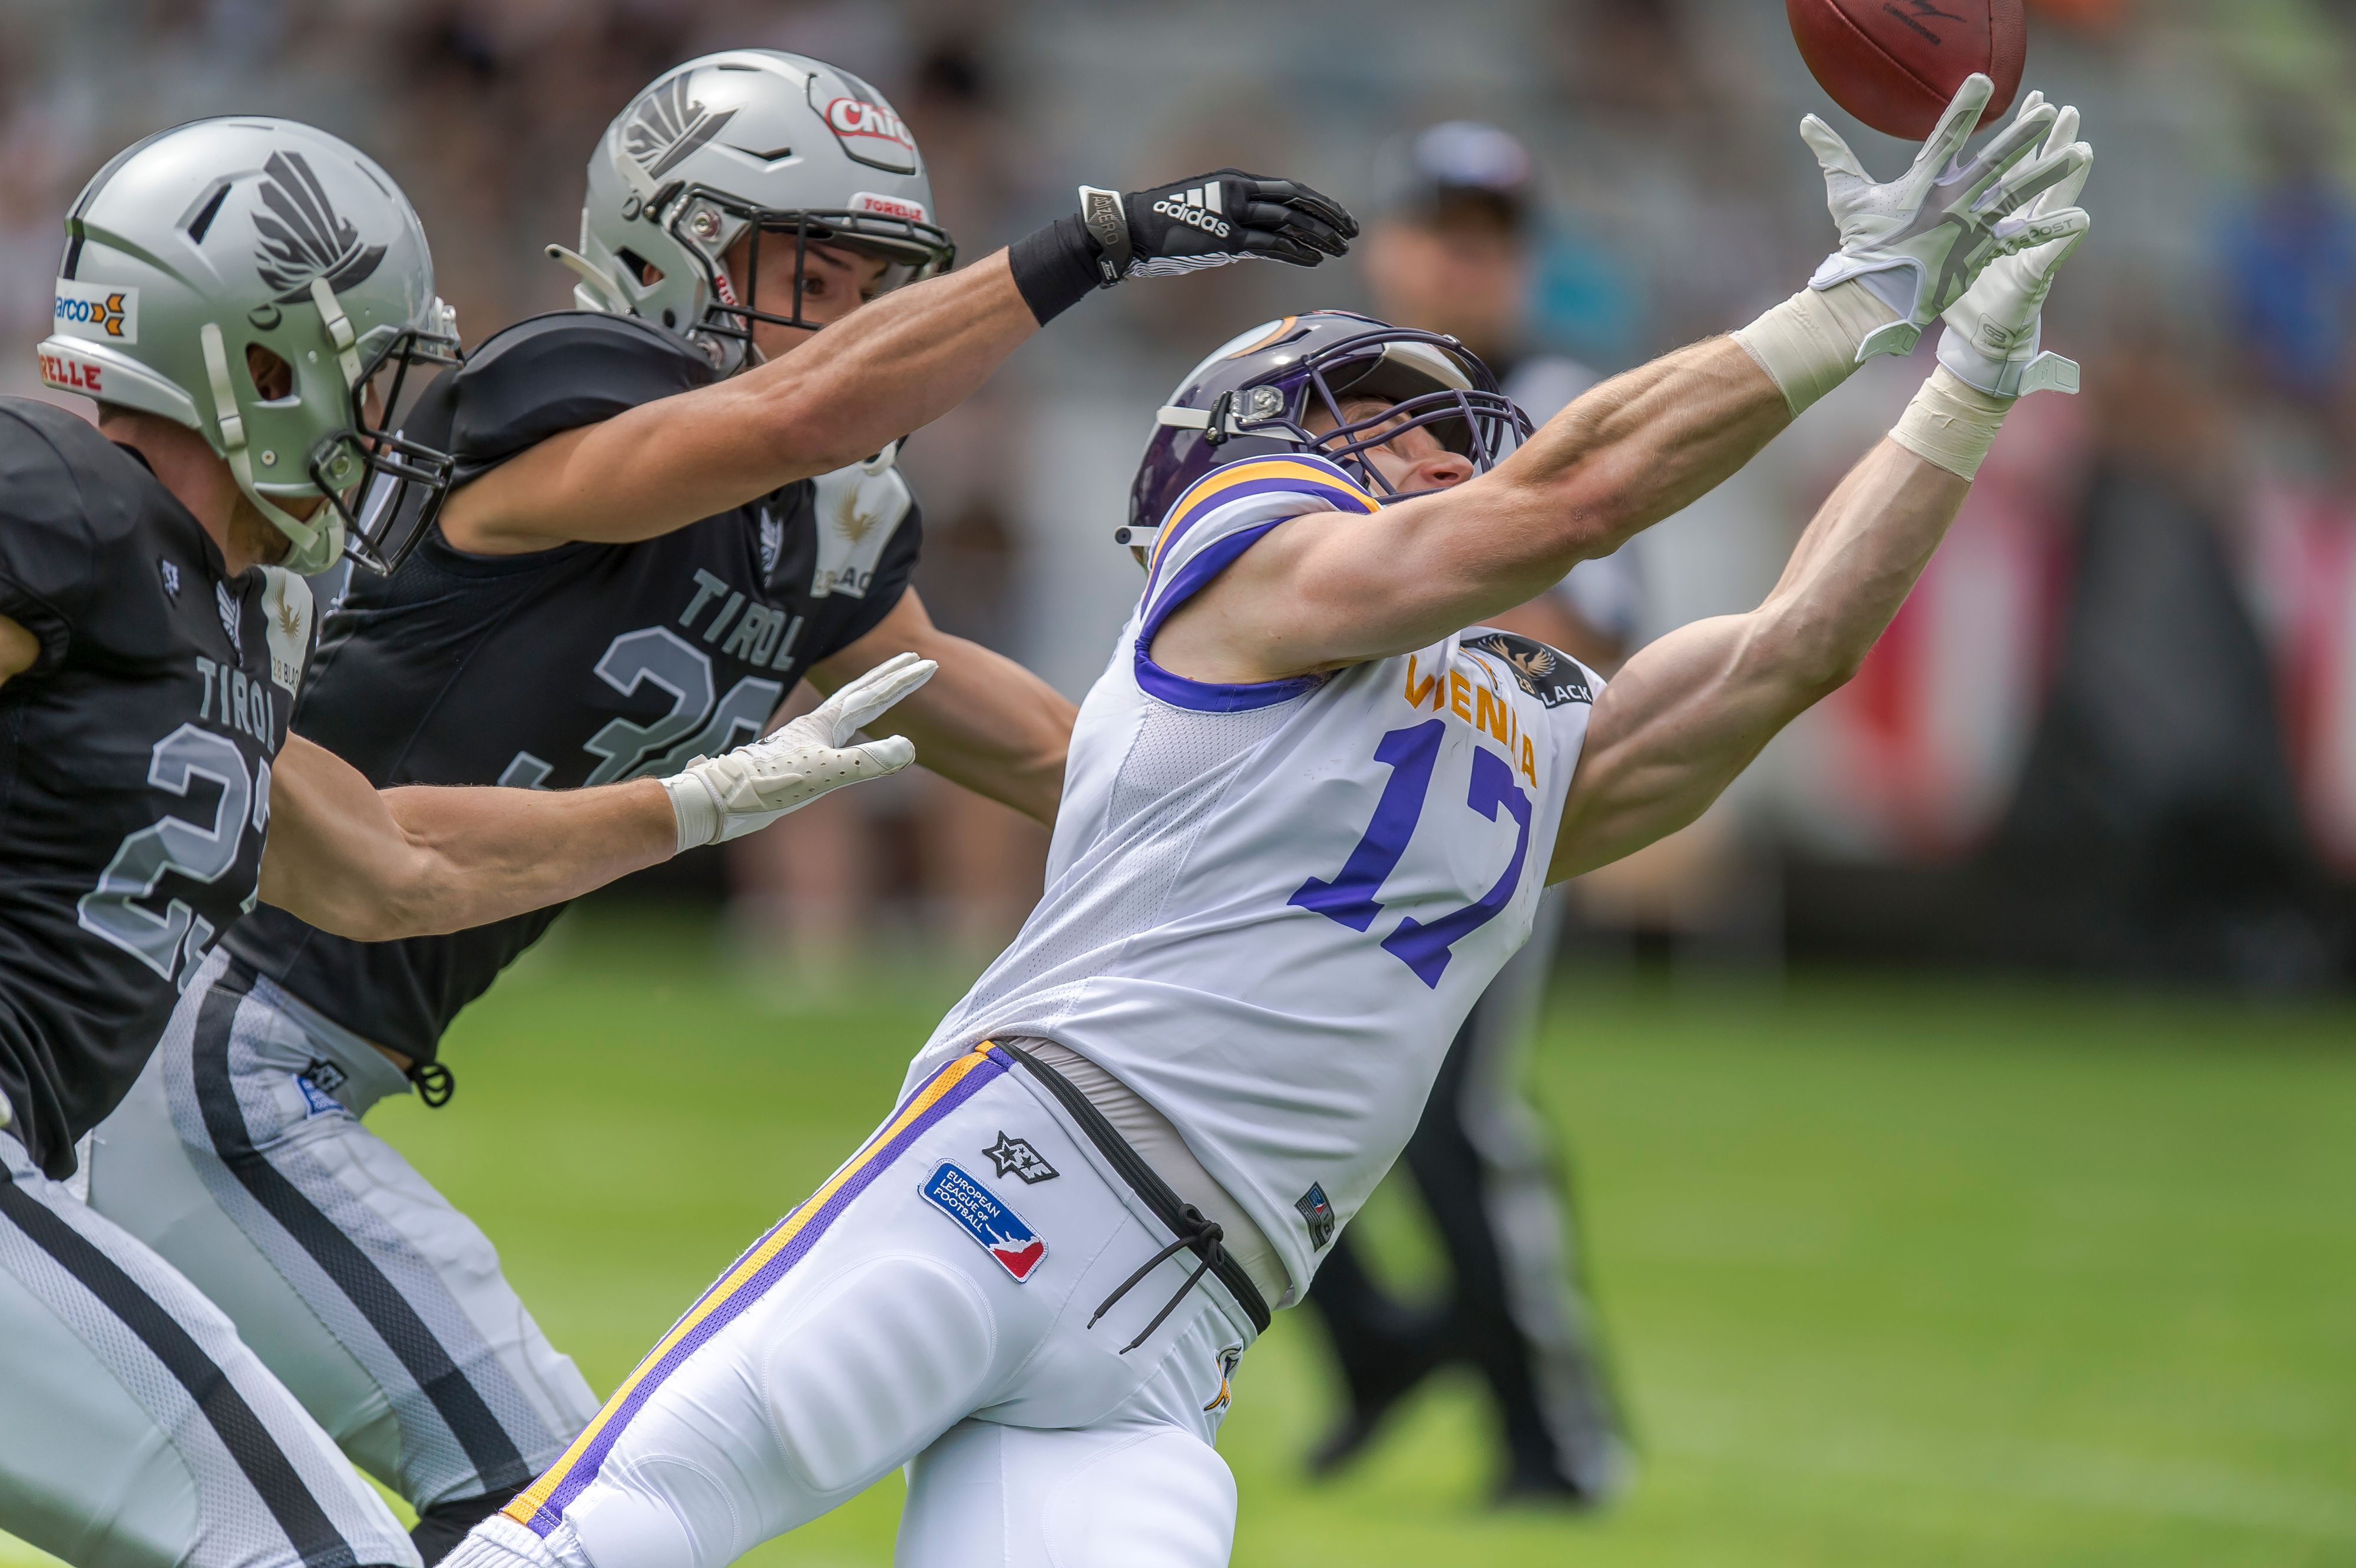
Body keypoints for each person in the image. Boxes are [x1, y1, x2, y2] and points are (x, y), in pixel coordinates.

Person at [445, 77, 2092, 1568]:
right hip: (1013, 1175)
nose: (1439, 430)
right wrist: (1846, 307)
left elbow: (1798, 644)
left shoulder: (1509, 720)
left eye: (1452, 410)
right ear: (1236, 454)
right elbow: (1570, 498)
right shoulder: (1242, 569)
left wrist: (1964, 387)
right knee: (603, 1540)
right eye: (1381, 401)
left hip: (1190, 1320)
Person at [78, 48, 1358, 1564]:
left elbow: (1011, 732)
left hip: (289, 1049)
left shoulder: (805, 534)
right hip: (211, 1023)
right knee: (553, 1496)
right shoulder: (569, 406)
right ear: (666, 249)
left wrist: (1320, 820)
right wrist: (1093, 242)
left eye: (876, 279)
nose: (851, 316)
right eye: (809, 269)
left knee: (459, 1504)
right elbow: (782, 422)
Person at [0, 116, 942, 1568]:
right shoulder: (60, 500)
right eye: (372, 374)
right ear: (261, 359)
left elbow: (389, 866)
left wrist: (699, 802)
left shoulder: (215, 610)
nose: (387, 422)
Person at [1308, 117, 1635, 1503]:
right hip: (1340, 800)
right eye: (1438, 229)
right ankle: (1386, 1341)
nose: (1457, 262)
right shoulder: (1327, 395)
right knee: (1293, 1089)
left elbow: (1581, 624)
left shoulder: (1553, 405)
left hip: (1486, 805)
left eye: (1487, 239)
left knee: (1462, 1127)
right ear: (1389, 242)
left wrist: (1406, 568)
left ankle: (1556, 1438)